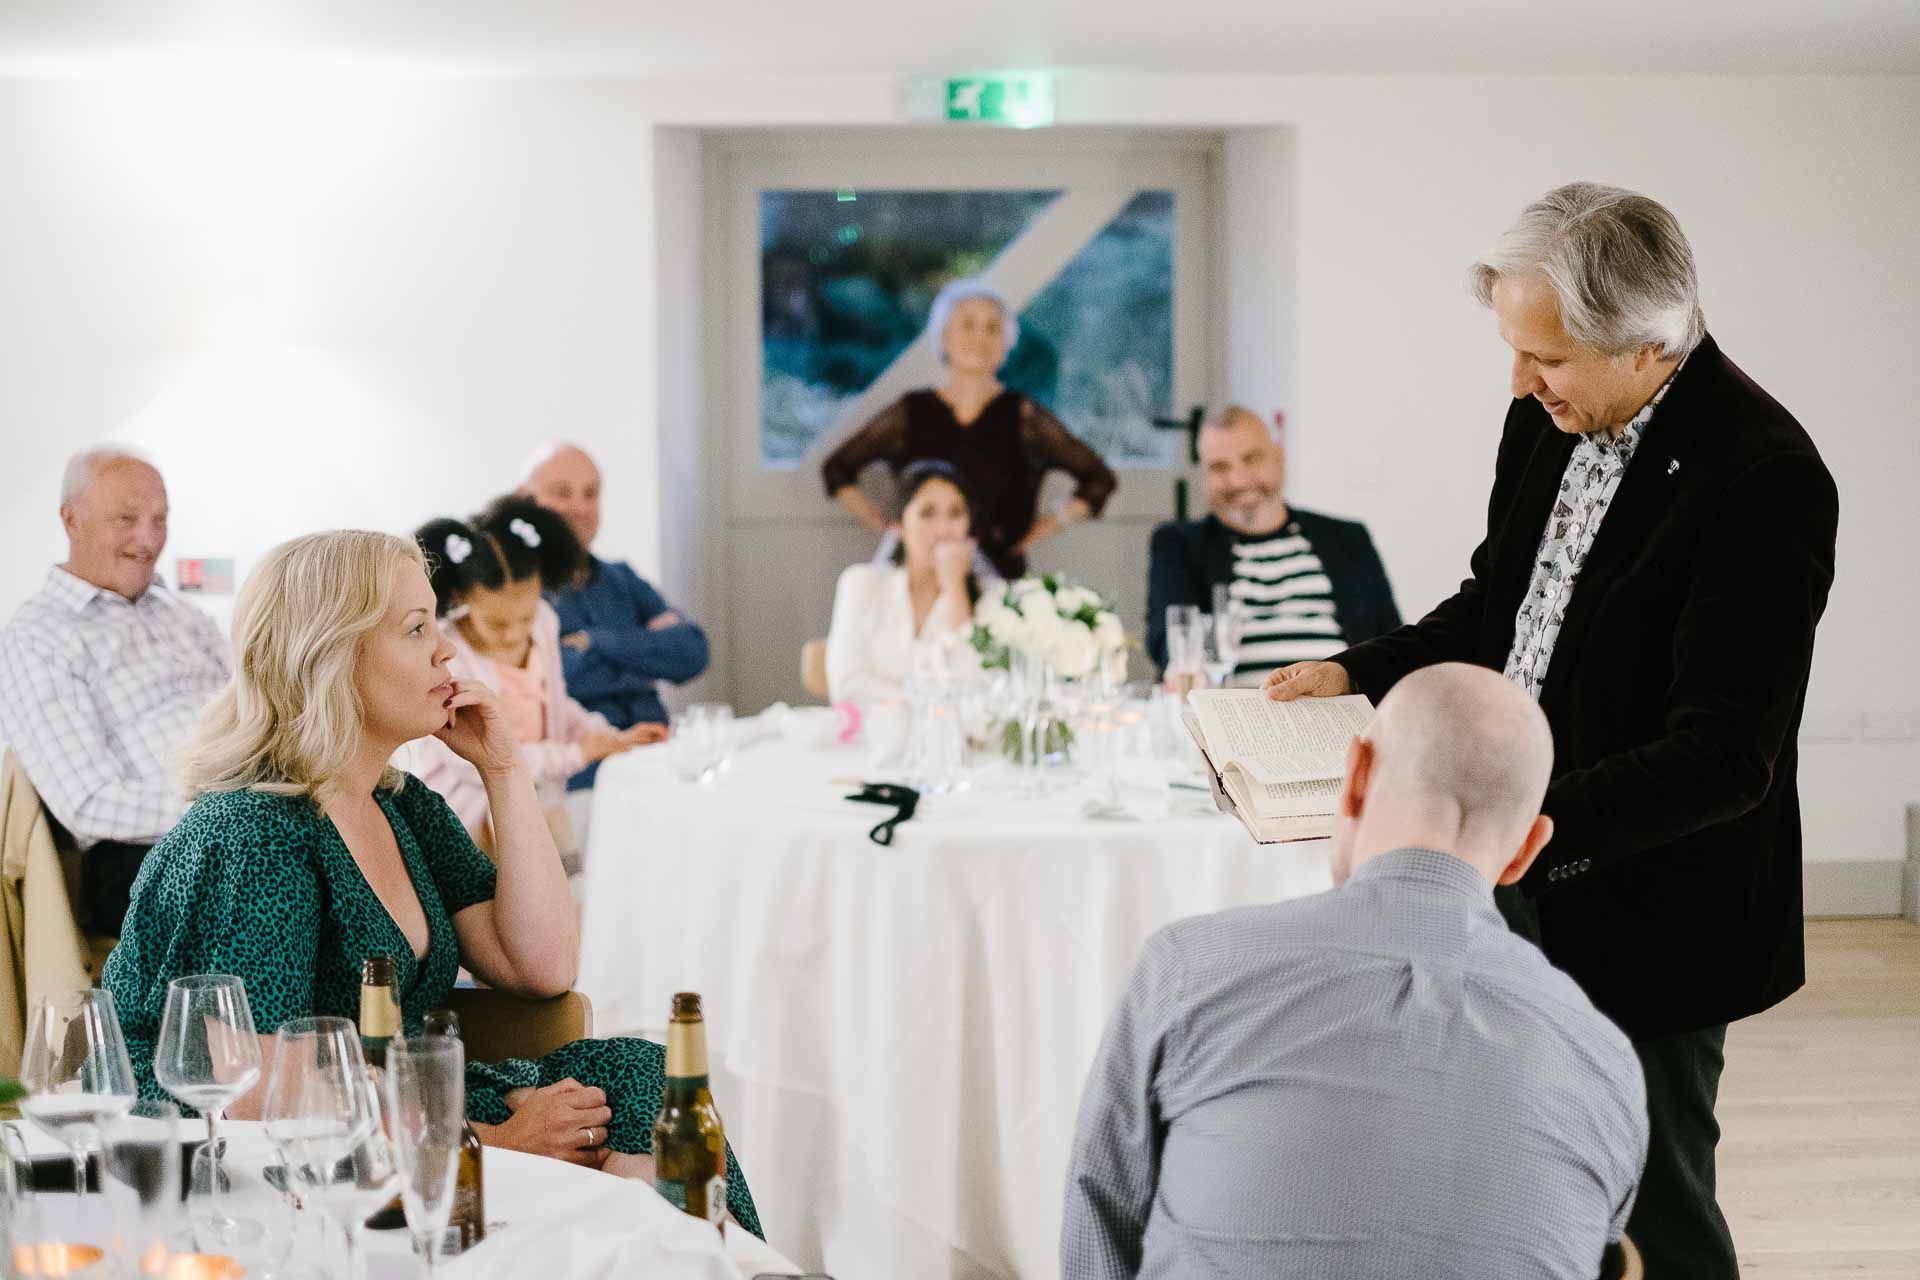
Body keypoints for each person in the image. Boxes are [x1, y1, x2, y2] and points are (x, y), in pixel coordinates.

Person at [1265, 182, 1838, 1278]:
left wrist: (1521, 831)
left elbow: (1725, 757)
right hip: (1511, 864)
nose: (1523, 383)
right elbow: (1498, 602)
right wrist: (1354, 669)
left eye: (1551, 358)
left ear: (1648, 342)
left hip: (1653, 899)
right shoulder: (1548, 414)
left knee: (1656, 1199)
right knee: (1522, 1173)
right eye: (1517, 352)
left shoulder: (1764, 477)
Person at [98, 530, 761, 1233]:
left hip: (403, 1108)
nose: (446, 649)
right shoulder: (255, 837)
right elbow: (261, 1097)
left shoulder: (400, 804)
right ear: (330, 656)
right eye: (416, 629)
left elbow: (540, 966)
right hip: (240, 1159)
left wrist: (505, 771)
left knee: (647, 1084)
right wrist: (485, 1141)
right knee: (640, 1190)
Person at [1063, 663, 1648, 1279]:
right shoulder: (1605, 1061)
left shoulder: (1190, 969)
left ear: (1357, 776)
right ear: (1527, 849)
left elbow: (1100, 1224)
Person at [0, 447, 229, 933]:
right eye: (126, 519)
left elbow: (257, 711)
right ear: (71, 520)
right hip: (146, 860)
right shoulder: (39, 635)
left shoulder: (183, 615)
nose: (148, 540)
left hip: (240, 823)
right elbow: (91, 803)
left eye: (159, 521)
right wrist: (227, 812)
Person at [411, 496, 661, 863]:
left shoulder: (544, 621)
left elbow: (555, 703)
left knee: (565, 883)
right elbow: (474, 763)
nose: (514, 634)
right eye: (497, 624)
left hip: (539, 796)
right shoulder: (449, 654)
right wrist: (576, 754)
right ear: (461, 596)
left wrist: (603, 734)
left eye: (524, 619)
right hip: (471, 815)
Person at [819, 278, 1117, 579]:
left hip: (1001, 581)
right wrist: (891, 529)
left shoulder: (1023, 415)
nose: (980, 337)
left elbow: (1099, 480)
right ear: (944, 337)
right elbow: (837, 469)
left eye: (992, 328)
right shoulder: (912, 412)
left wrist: (1039, 531)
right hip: (923, 580)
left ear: (1006, 344)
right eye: (968, 325)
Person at [1145, 405, 1400, 678]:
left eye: (1252, 459)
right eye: (1220, 467)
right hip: (1238, 714)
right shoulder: (1179, 544)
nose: (1239, 480)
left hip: (1343, 712)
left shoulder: (1348, 539)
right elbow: (1169, 640)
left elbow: (1391, 646)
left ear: (1279, 458)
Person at [522, 444, 708, 791]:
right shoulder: (515, 592)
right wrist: (646, 658)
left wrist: (593, 642)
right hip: (582, 779)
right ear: (525, 498)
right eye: (562, 493)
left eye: (591, 494)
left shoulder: (622, 578)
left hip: (660, 760)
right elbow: (547, 682)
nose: (579, 507)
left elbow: (692, 653)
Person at [825, 459, 987, 705]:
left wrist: (955, 590)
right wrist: (927, 704)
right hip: (875, 737)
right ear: (899, 525)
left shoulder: (989, 597)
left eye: (955, 514)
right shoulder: (862, 583)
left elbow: (976, 691)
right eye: (927, 513)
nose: (943, 528)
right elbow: (847, 685)